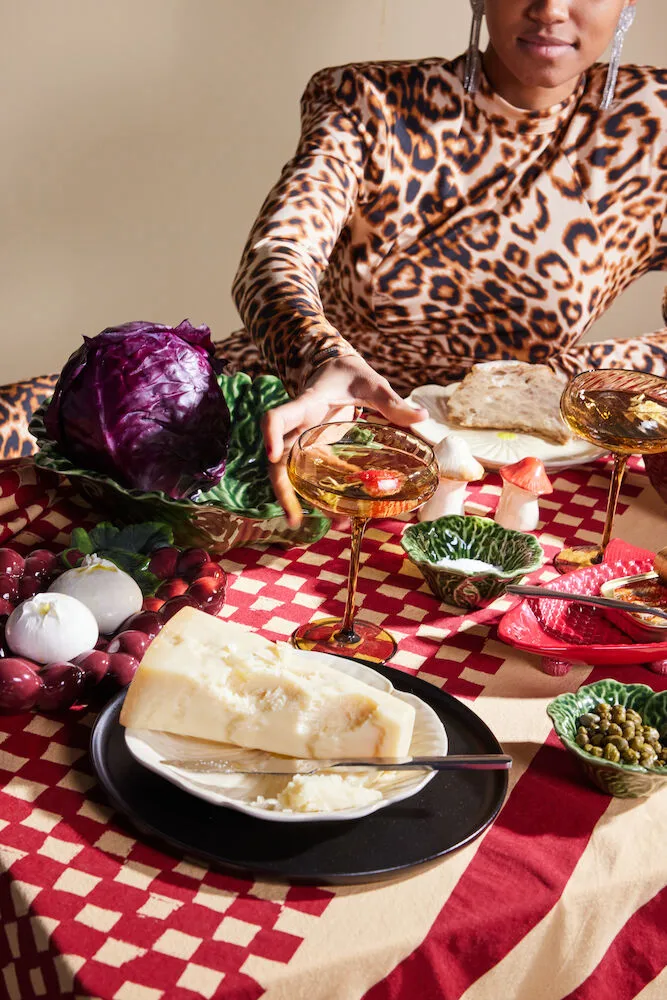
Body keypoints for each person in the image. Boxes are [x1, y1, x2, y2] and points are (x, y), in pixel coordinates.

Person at [220, 0, 666, 524]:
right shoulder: (366, 102)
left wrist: (558, 384)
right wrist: (316, 358)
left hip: (500, 464)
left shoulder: (655, 124)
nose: (549, 9)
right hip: (309, 426)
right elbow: (277, 252)